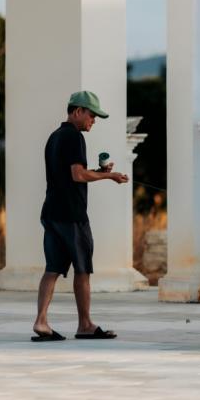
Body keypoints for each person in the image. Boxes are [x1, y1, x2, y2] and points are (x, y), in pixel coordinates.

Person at [31, 91, 129, 342]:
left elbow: (71, 174)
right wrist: (109, 176)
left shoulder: (54, 137)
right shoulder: (75, 137)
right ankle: (85, 324)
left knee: (52, 269)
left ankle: (41, 321)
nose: (93, 121)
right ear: (77, 112)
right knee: (83, 268)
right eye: (91, 115)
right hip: (72, 215)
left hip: (51, 212)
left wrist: (97, 171)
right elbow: (78, 175)